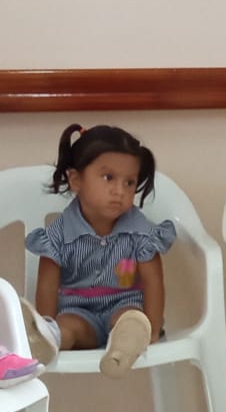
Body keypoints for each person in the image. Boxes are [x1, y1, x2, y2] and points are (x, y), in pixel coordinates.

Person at [21, 124, 175, 379]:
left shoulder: (140, 233)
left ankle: (125, 348)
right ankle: (46, 339)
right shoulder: (59, 234)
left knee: (131, 320)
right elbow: (48, 284)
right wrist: (47, 319)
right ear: (76, 180)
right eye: (108, 178)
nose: (119, 191)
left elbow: (153, 280)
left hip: (125, 305)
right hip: (78, 312)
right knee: (66, 327)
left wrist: (154, 329)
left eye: (129, 182)